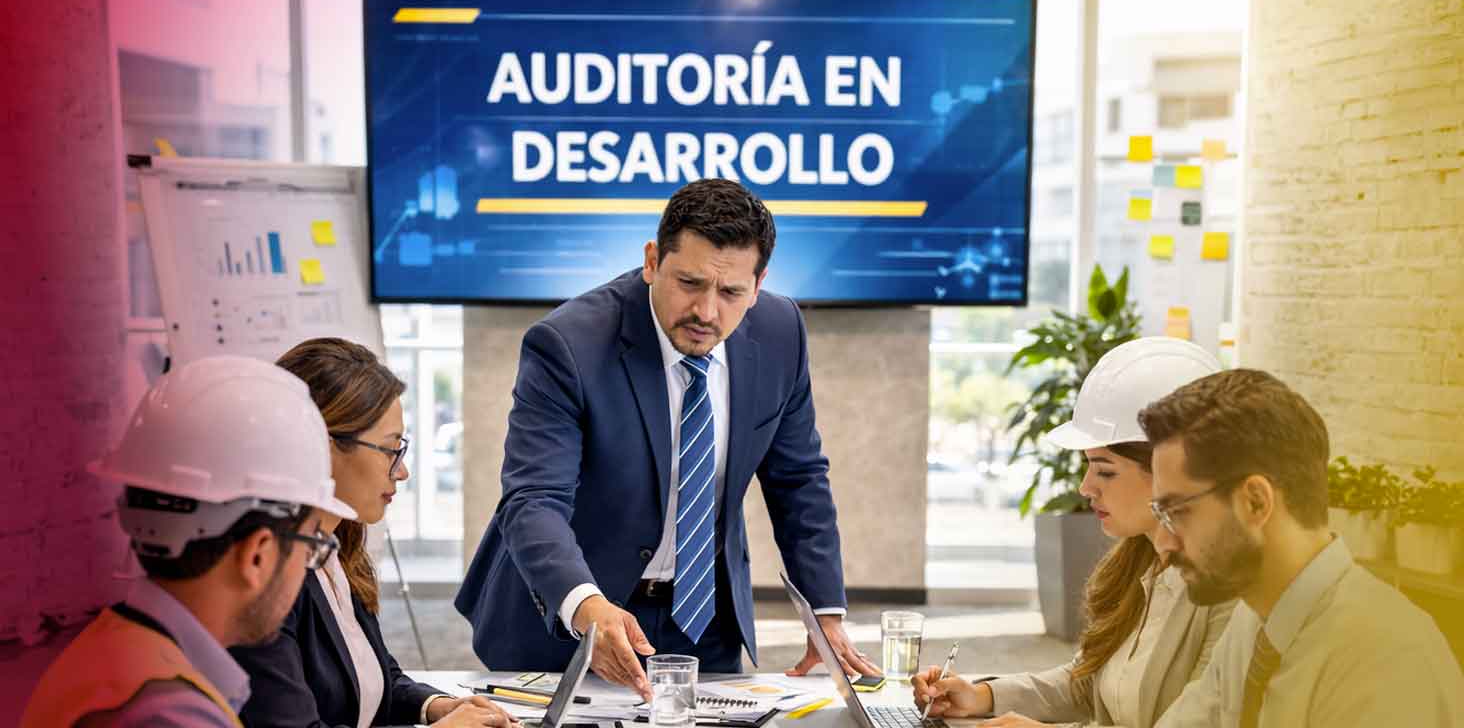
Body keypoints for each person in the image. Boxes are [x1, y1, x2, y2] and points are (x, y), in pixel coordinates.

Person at [456, 178, 879, 698]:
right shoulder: (568, 344)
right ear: (653, 261)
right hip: (574, 617)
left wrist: (824, 614)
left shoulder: (780, 331)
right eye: (689, 283)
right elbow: (534, 498)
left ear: (758, 284)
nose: (706, 312)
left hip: (702, 619)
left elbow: (799, 480)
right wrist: (586, 605)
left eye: (731, 292)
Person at [913, 337, 1235, 728]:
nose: (1085, 487)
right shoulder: (1141, 564)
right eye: (1088, 467)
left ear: (1171, 471)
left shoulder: (1229, 598)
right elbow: (1089, 682)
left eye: (1105, 471)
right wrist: (983, 696)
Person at [22, 355, 355, 727]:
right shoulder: (167, 713)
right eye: (310, 546)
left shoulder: (116, 653)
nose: (306, 565)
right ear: (257, 555)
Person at [1139, 369, 1464, 727]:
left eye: (1177, 512)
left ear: (1255, 502)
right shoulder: (1253, 622)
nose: (1163, 542)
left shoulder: (1391, 660)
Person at [231, 338, 515, 728]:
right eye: (389, 450)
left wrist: (435, 706)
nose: (402, 471)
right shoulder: (260, 578)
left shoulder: (337, 551)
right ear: (321, 446)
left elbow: (373, 678)